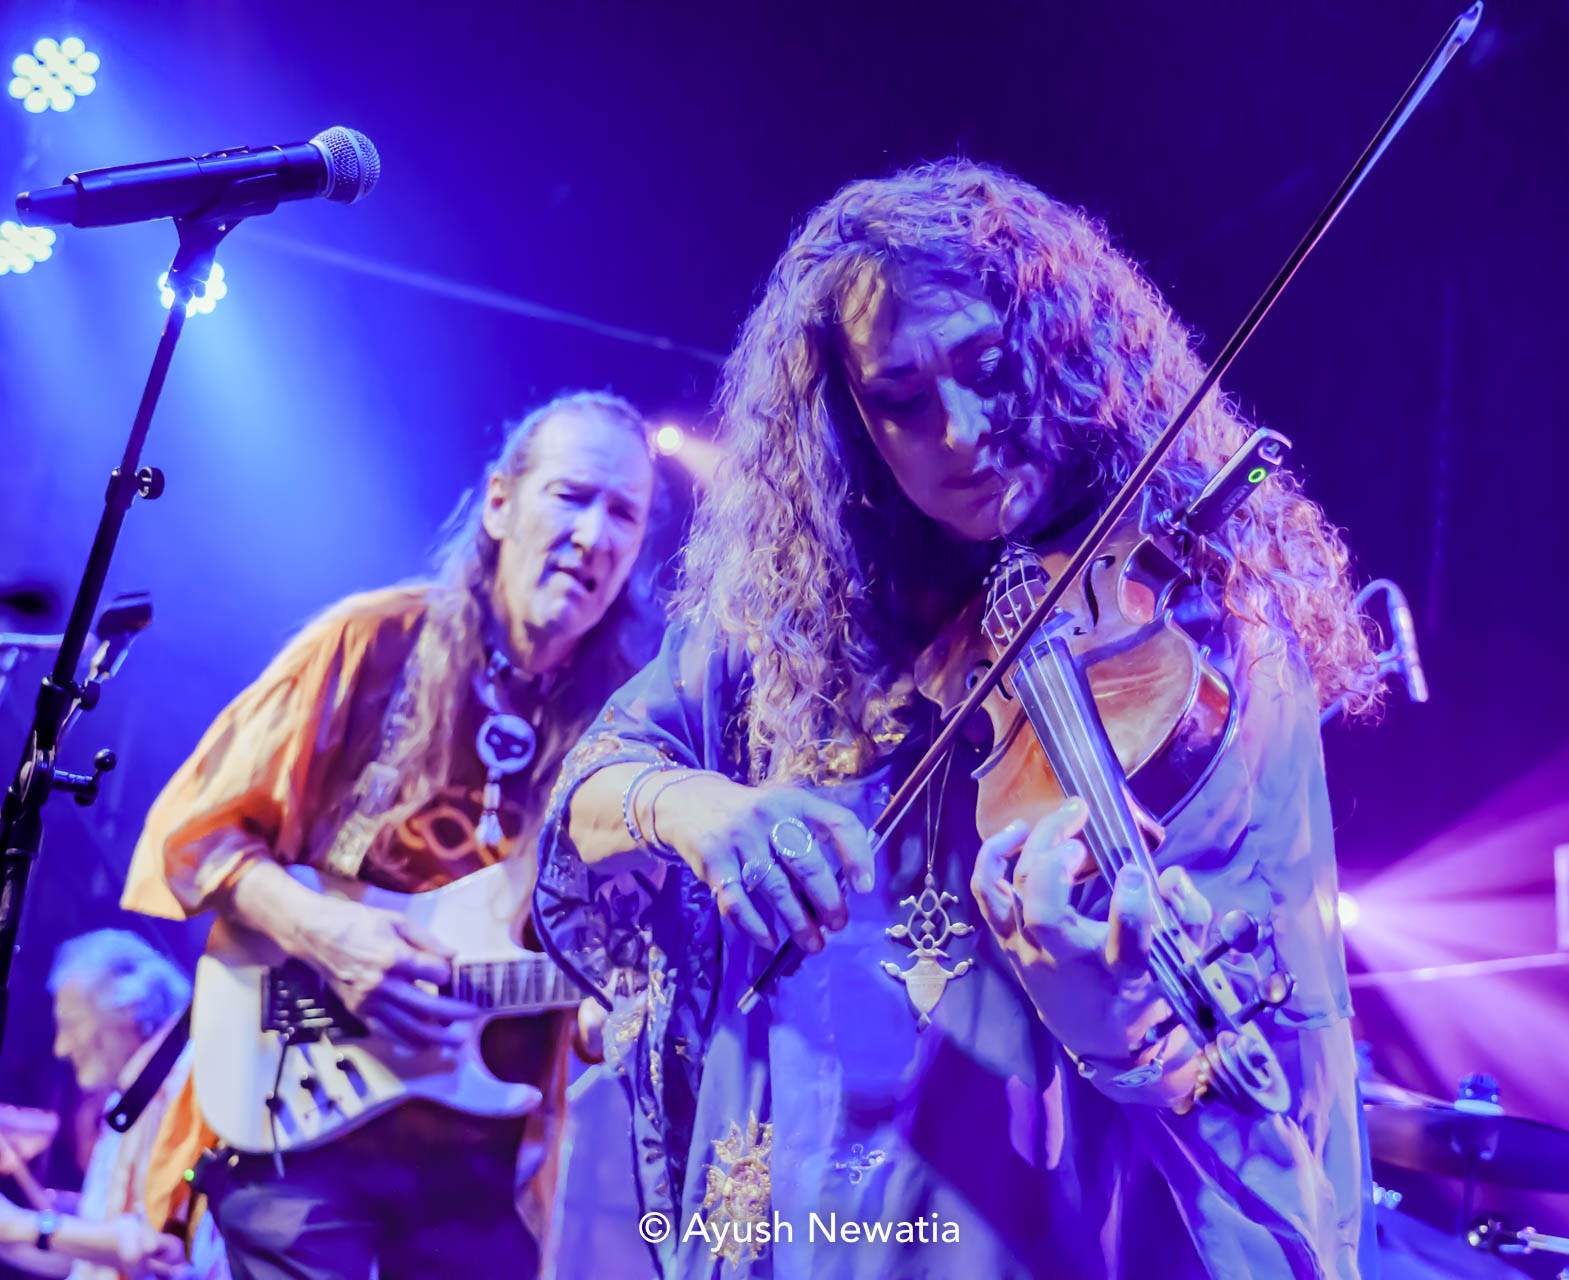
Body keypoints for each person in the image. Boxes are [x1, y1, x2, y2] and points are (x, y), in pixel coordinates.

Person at [536, 160, 1383, 1278]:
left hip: (1039, 1212)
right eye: (902, 401)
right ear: (851, 419)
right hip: (817, 1196)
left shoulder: (1210, 623)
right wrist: (697, 808)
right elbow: (596, 782)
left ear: (1063, 344)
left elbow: (1257, 1032)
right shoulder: (800, 611)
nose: (964, 431)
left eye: (991, 368)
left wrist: (1120, 1022)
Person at [121, 390, 666, 1280]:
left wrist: (616, 1009)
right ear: (500, 503)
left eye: (625, 514)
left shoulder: (632, 722)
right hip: (296, 1121)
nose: (595, 534)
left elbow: (606, 980)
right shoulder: (370, 643)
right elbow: (194, 833)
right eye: (572, 496)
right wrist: (327, 934)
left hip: (479, 1167)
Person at [0, 930, 201, 1279]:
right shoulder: (127, 1099)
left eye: (71, 1025)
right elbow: (87, 1264)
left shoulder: (183, 1087)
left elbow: (157, 1251)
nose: (61, 1048)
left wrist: (22, 1225)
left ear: (128, 1006)